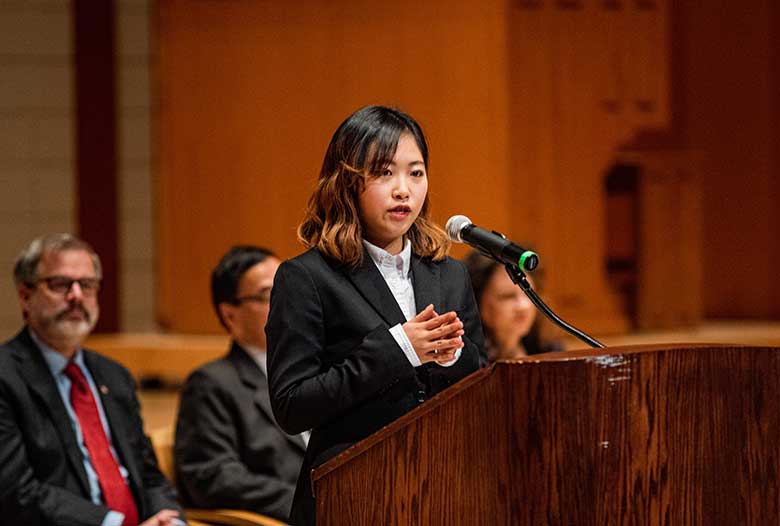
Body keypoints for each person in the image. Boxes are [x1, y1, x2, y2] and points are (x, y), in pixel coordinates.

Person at [265, 105, 485, 525]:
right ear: (347, 182)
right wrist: (399, 348)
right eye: (384, 173)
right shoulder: (306, 278)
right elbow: (293, 406)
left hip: (444, 490)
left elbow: (481, 381)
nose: (403, 189)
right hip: (352, 496)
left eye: (415, 173)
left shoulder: (450, 274)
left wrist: (455, 354)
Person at [0, 233, 183, 526]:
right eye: (60, 284)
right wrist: (113, 523)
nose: (76, 296)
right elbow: (14, 493)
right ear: (25, 295)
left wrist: (171, 521)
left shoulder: (115, 375)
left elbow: (148, 474)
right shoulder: (6, 376)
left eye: (86, 285)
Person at [173, 246, 305, 521]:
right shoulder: (212, 384)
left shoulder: (317, 367)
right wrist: (306, 503)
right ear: (230, 315)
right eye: (269, 294)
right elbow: (212, 476)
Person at [463, 251, 564, 362]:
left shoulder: (547, 349)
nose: (523, 306)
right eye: (507, 296)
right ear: (477, 302)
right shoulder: (465, 358)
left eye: (528, 294)